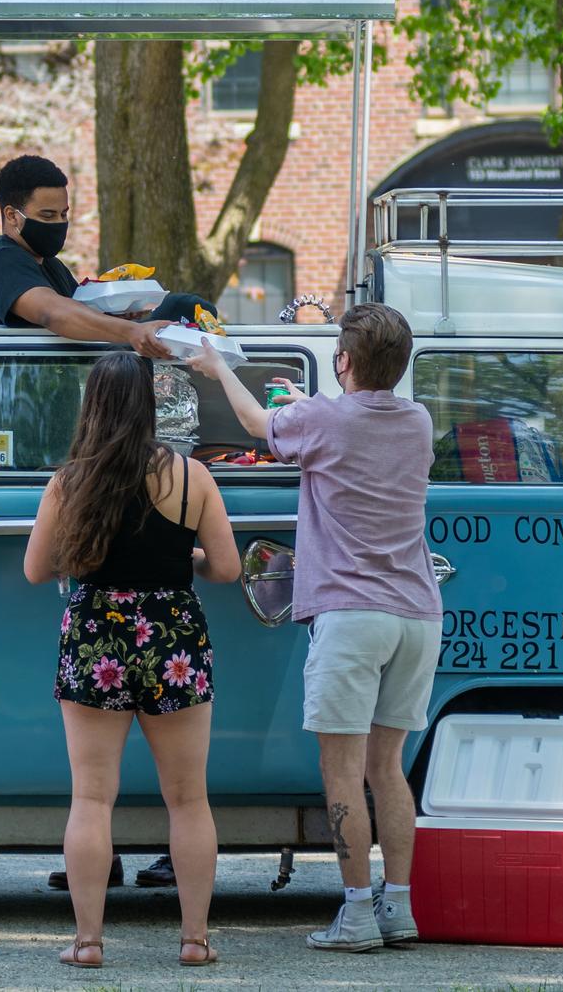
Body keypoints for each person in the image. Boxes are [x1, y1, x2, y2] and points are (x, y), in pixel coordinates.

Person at [191, 302, 439, 953]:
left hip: (351, 613)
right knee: (389, 769)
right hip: (417, 611)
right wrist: (317, 402)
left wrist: (216, 364)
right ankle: (399, 908)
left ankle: (356, 913)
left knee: (340, 772)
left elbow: (253, 422)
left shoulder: (322, 418)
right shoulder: (418, 420)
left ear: (344, 359)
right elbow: (349, 422)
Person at [23, 353, 241, 969]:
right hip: (174, 638)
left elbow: (36, 570)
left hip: (97, 638)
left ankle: (88, 942)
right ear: (149, 406)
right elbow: (226, 567)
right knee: (188, 799)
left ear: (91, 405)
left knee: (91, 798)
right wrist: (185, 561)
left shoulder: (70, 481)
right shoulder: (192, 476)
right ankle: (194, 941)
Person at [0, 155, 209, 357]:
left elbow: (78, 317)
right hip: (5, 410)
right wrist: (131, 331)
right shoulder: (2, 261)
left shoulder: (52, 267)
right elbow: (55, 314)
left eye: (64, 214)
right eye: (47, 216)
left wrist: (117, 315)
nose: (59, 223)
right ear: (12, 215)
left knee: (182, 306)